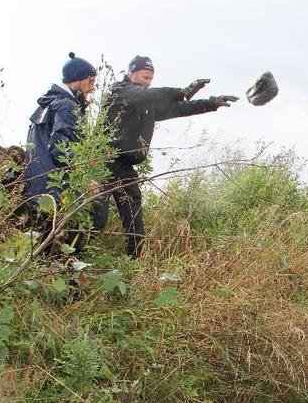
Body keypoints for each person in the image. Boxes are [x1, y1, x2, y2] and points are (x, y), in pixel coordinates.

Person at [95, 55, 238, 258]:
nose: (148, 82)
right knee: (96, 218)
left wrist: (212, 102)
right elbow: (149, 95)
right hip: (104, 163)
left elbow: (179, 108)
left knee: (135, 227)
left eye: (151, 79)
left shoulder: (146, 103)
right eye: (145, 77)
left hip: (126, 168)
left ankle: (131, 268)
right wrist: (182, 91)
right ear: (131, 73)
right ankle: (68, 259)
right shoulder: (119, 92)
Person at [24, 52, 99, 254]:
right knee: (69, 246)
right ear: (81, 79)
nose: (93, 88)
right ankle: (71, 283)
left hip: (37, 184)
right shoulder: (67, 105)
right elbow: (61, 149)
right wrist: (83, 180)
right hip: (56, 188)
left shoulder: (48, 103)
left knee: (40, 247)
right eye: (91, 81)